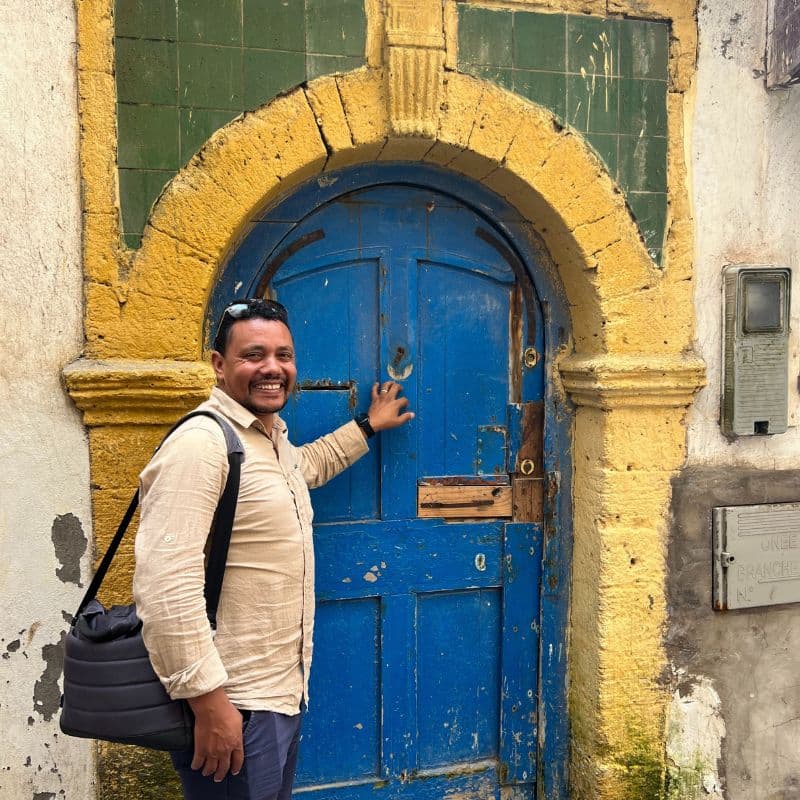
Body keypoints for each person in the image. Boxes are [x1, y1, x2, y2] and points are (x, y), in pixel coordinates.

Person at [133, 298, 413, 799]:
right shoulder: (202, 444)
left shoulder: (268, 439)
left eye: (283, 355)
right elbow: (163, 589)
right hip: (232, 701)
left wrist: (368, 425)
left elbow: (307, 467)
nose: (272, 368)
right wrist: (208, 702)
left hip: (277, 692)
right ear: (219, 365)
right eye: (253, 355)